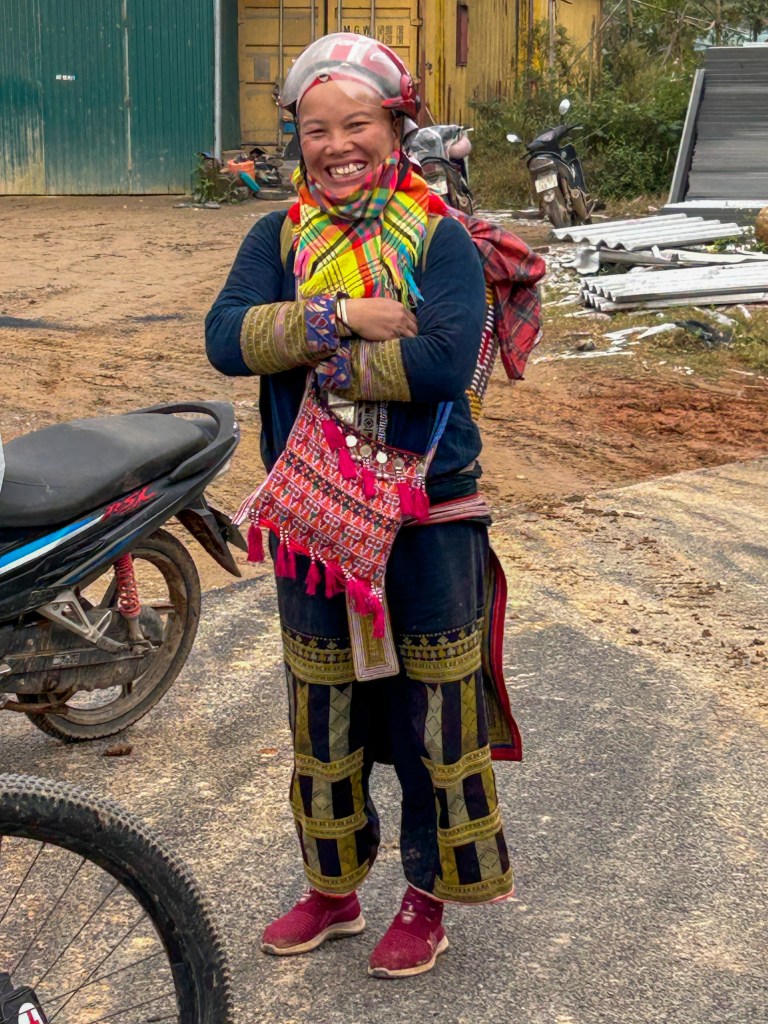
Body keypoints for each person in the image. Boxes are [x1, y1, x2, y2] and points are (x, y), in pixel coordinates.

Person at [205, 32, 527, 979]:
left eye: (356, 125)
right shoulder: (277, 239)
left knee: (436, 719)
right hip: (316, 521)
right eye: (317, 129)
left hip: (429, 518)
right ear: (297, 138)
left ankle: (427, 898)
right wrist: (342, 315)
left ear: (395, 127)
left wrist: (313, 359)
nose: (337, 146)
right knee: (323, 719)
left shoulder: (439, 237)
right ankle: (334, 890)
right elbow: (225, 339)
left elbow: (444, 362)